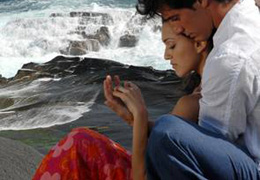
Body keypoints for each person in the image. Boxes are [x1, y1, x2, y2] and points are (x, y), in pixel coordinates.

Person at [32, 22, 212, 180]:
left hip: (144, 173)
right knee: (81, 142)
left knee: (78, 144)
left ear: (199, 43)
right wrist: (129, 116)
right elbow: (164, 137)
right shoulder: (201, 95)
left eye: (171, 46)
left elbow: (142, 176)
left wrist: (140, 113)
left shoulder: (192, 104)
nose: (166, 55)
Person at [136, 0, 260, 179]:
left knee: (168, 135)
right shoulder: (251, 9)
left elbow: (207, 144)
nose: (177, 29)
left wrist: (143, 122)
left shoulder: (229, 57)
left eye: (175, 17)